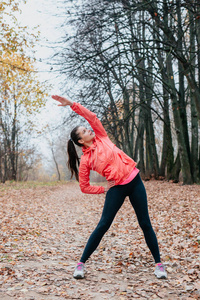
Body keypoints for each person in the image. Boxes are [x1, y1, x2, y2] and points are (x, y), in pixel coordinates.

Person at [52, 95, 167, 280]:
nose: (88, 129)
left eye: (87, 128)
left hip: (135, 181)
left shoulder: (102, 137)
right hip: (117, 189)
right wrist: (104, 189)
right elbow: (84, 186)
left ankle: (159, 265)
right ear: (81, 141)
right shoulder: (86, 160)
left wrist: (72, 105)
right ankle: (81, 264)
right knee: (103, 225)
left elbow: (92, 117)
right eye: (84, 131)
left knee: (145, 223)